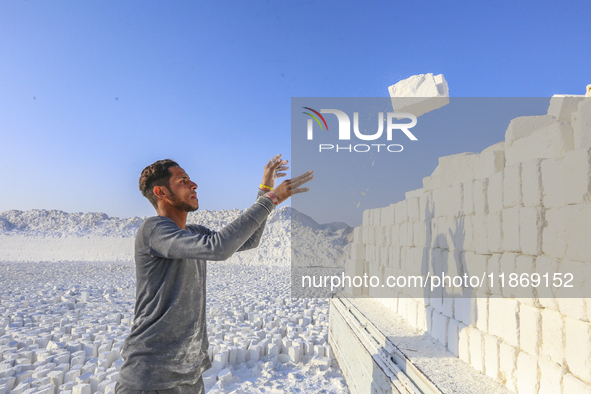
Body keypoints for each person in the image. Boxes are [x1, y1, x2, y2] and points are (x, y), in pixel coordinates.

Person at [115, 155, 313, 394]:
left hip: (188, 379)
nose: (194, 184)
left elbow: (248, 240)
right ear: (161, 192)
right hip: (150, 379)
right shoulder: (153, 230)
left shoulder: (194, 233)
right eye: (183, 180)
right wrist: (271, 199)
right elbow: (218, 248)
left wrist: (265, 189)